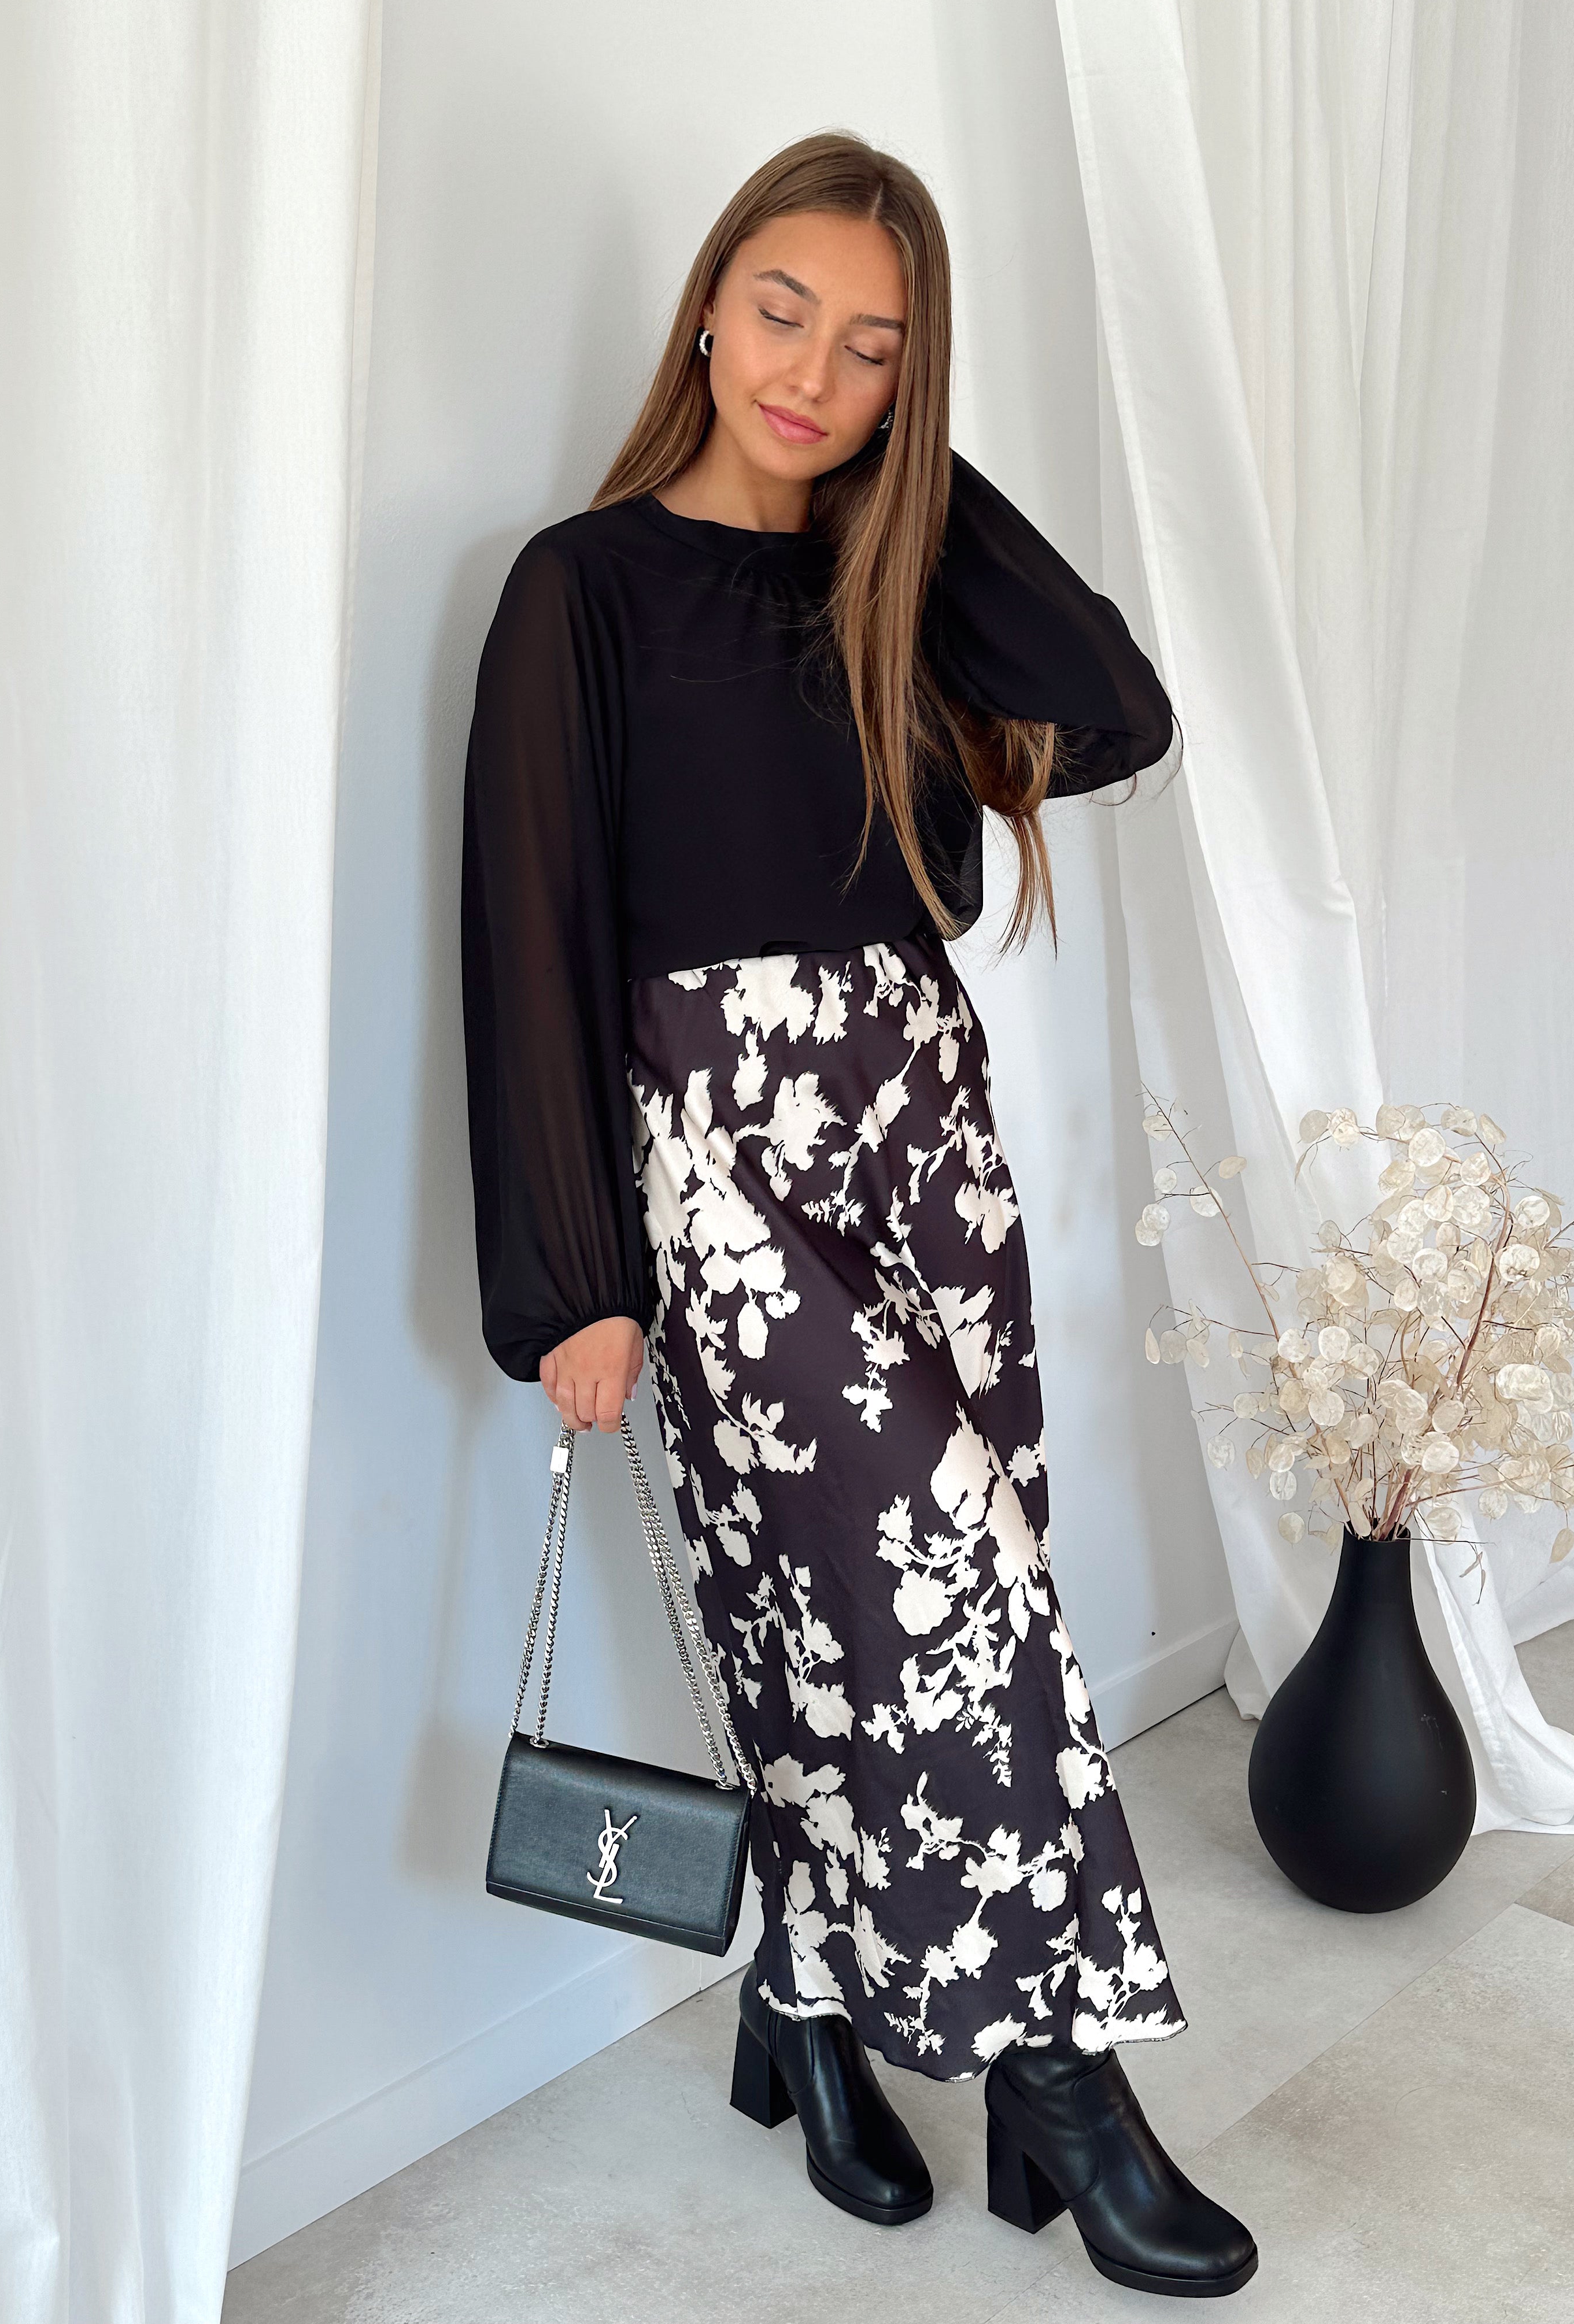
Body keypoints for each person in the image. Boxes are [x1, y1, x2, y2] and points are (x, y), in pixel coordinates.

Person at [460, 129, 1257, 2301]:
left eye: (874, 349)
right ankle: (1067, 2091)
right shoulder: (581, 590)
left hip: (922, 1136)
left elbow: (1115, 709)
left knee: (872, 1627)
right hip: (715, 1164)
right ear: (709, 310)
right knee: (949, 1619)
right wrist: (573, 1282)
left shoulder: (880, 592)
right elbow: (530, 930)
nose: (812, 373)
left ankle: (803, 2007)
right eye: (784, 313)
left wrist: (903, 487)